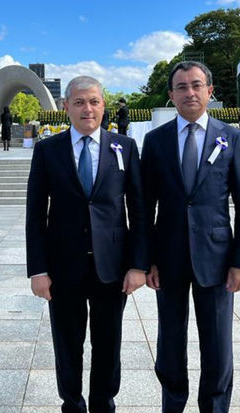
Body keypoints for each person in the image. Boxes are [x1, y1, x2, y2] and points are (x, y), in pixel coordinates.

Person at [26, 75, 147, 413]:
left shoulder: (124, 147)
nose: (87, 109)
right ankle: (72, 404)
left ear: (103, 105)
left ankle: (103, 404)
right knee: (67, 345)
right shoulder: (47, 150)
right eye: (79, 102)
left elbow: (138, 210)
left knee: (108, 343)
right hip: (63, 267)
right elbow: (35, 215)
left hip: (112, 267)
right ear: (66, 106)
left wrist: (138, 264)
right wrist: (38, 270)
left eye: (94, 101)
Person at [141, 61, 240, 413]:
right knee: (170, 344)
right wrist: (147, 260)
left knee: (218, 346)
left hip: (217, 259)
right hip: (169, 259)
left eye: (196, 85)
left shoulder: (230, 137)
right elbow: (145, 208)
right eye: (181, 87)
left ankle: (215, 407)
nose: (189, 92)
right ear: (171, 95)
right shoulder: (155, 141)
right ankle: (172, 405)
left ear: (209, 91)